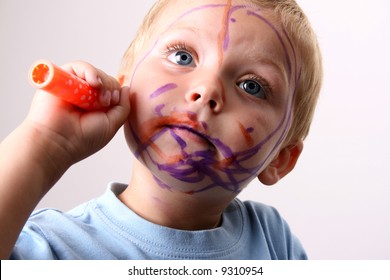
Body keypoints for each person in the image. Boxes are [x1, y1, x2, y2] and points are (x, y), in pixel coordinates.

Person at [0, 0, 322, 259]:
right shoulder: (52, 248)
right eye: (183, 56)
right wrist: (43, 144)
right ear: (124, 82)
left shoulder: (272, 240)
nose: (207, 89)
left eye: (251, 86)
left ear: (280, 158)